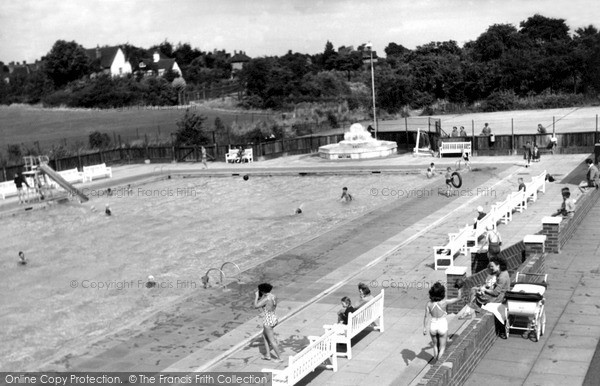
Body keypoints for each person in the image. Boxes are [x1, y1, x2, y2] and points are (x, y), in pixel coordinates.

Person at [423, 282, 463, 361]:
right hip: (442, 325)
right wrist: (459, 289)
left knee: (435, 345)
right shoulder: (445, 302)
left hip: (433, 325)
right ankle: (438, 364)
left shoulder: (428, 304)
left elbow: (426, 316)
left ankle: (435, 359)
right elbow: (458, 298)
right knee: (442, 347)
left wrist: (424, 328)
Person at [254, 283, 282, 362]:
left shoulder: (266, 299)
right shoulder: (273, 296)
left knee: (272, 340)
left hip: (268, 321)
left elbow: (256, 306)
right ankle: (268, 355)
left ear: (262, 291)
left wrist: (256, 296)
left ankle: (280, 358)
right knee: (264, 336)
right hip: (274, 317)